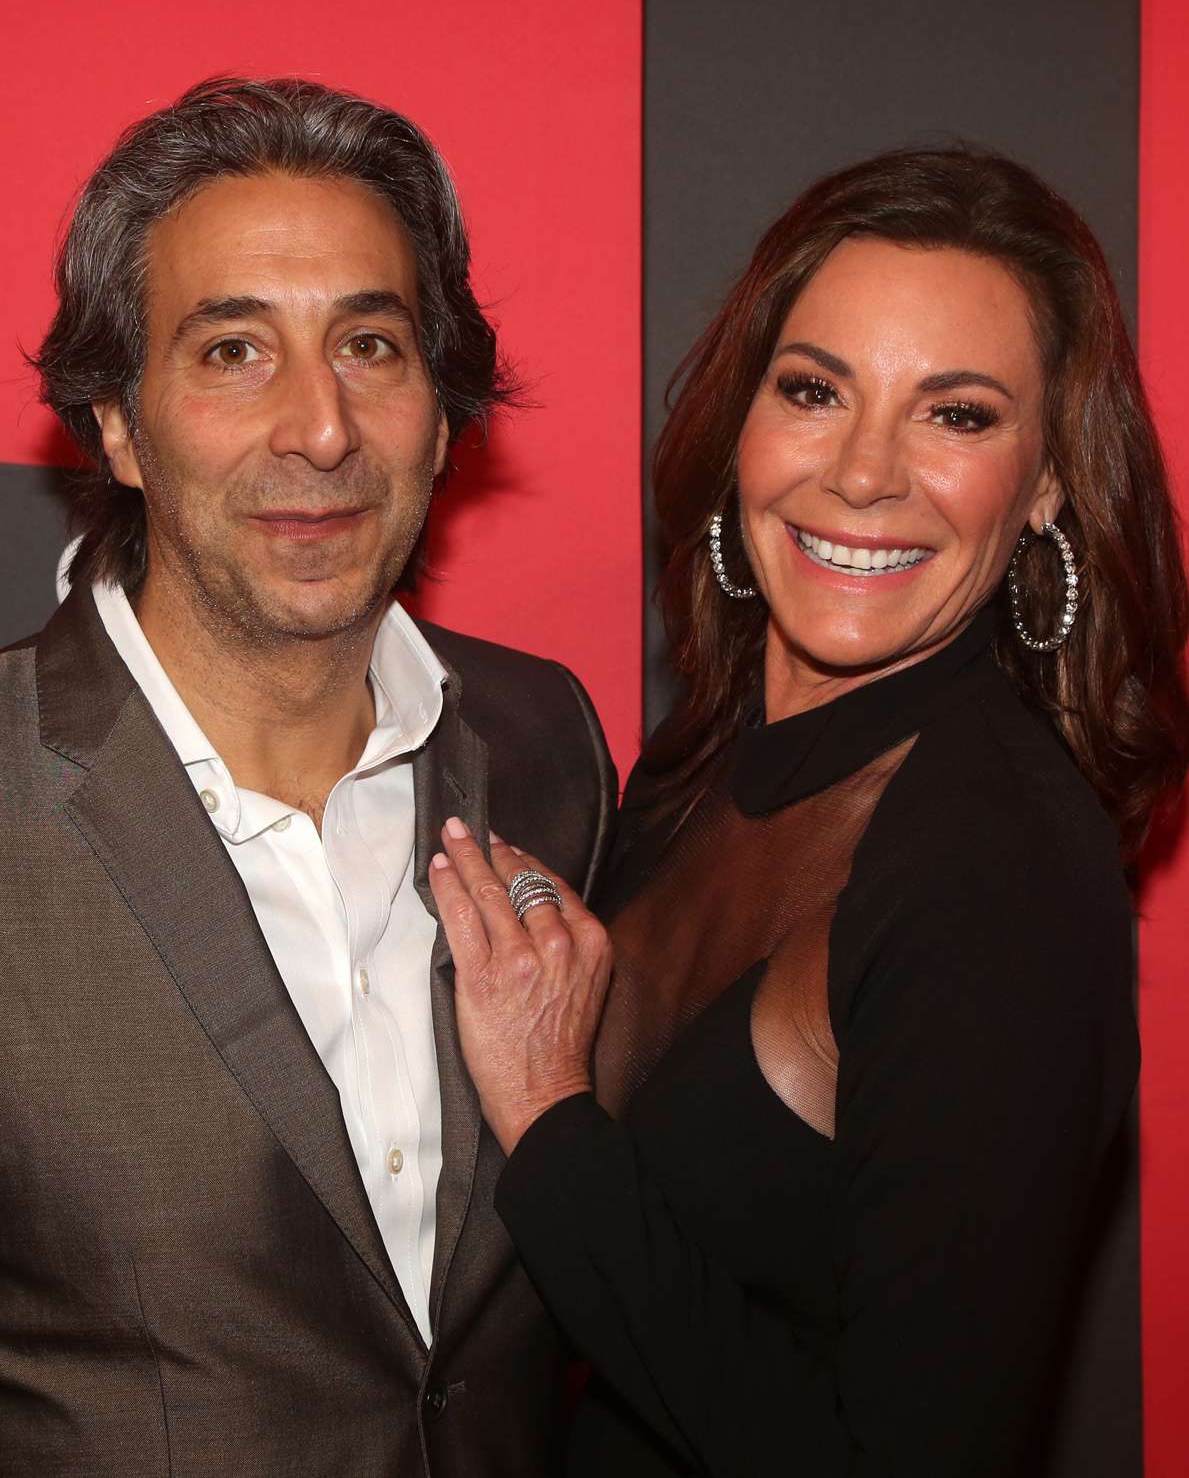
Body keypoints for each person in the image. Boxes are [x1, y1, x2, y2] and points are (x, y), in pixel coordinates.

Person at [430, 147, 1189, 1476]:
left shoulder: (1001, 872)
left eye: (955, 416)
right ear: (744, 429)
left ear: (1048, 486)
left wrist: (549, 1111)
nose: (861, 472)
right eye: (813, 391)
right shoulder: (697, 757)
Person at [0, 76, 615, 1476]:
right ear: (115, 423)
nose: (321, 429)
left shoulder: (542, 745)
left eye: (373, 345)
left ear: (442, 410)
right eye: (231, 351)